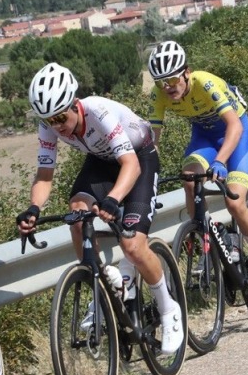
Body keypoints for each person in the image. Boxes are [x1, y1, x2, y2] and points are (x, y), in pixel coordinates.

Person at [15, 62, 183, 354]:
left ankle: (169, 309)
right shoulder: (49, 126)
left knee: (132, 246)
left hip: (139, 157)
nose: (56, 126)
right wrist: (33, 208)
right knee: (77, 214)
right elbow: (44, 175)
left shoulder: (98, 112)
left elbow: (130, 165)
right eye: (48, 120)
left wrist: (113, 199)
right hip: (102, 161)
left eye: (60, 117)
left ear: (74, 103)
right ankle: (103, 284)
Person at [146, 41, 248, 301]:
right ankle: (210, 235)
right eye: (161, 82)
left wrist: (220, 161)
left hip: (235, 134)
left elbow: (235, 127)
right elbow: (153, 141)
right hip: (204, 138)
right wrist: (148, 174)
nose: (168, 87)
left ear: (186, 72)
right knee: (189, 179)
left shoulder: (205, 83)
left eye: (172, 79)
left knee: (235, 203)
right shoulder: (159, 94)